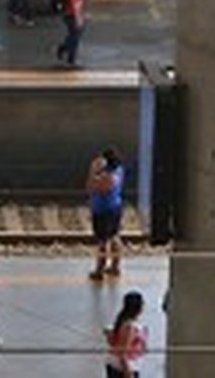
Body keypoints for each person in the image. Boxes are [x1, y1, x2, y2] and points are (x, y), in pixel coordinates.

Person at [87, 147, 125, 281]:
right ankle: (114, 266)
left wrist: (93, 172)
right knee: (114, 236)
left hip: (104, 209)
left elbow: (97, 187)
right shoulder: (118, 171)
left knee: (103, 240)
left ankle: (100, 268)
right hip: (113, 206)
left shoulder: (109, 174)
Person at [105, 291, 147, 377]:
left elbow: (113, 342)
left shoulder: (123, 321)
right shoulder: (130, 326)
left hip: (119, 365)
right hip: (124, 368)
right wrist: (128, 372)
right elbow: (123, 352)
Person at [54, 0, 87, 66]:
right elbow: (74, 0)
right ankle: (71, 58)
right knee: (75, 35)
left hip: (70, 12)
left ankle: (64, 49)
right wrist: (78, 16)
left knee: (74, 34)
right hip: (70, 12)